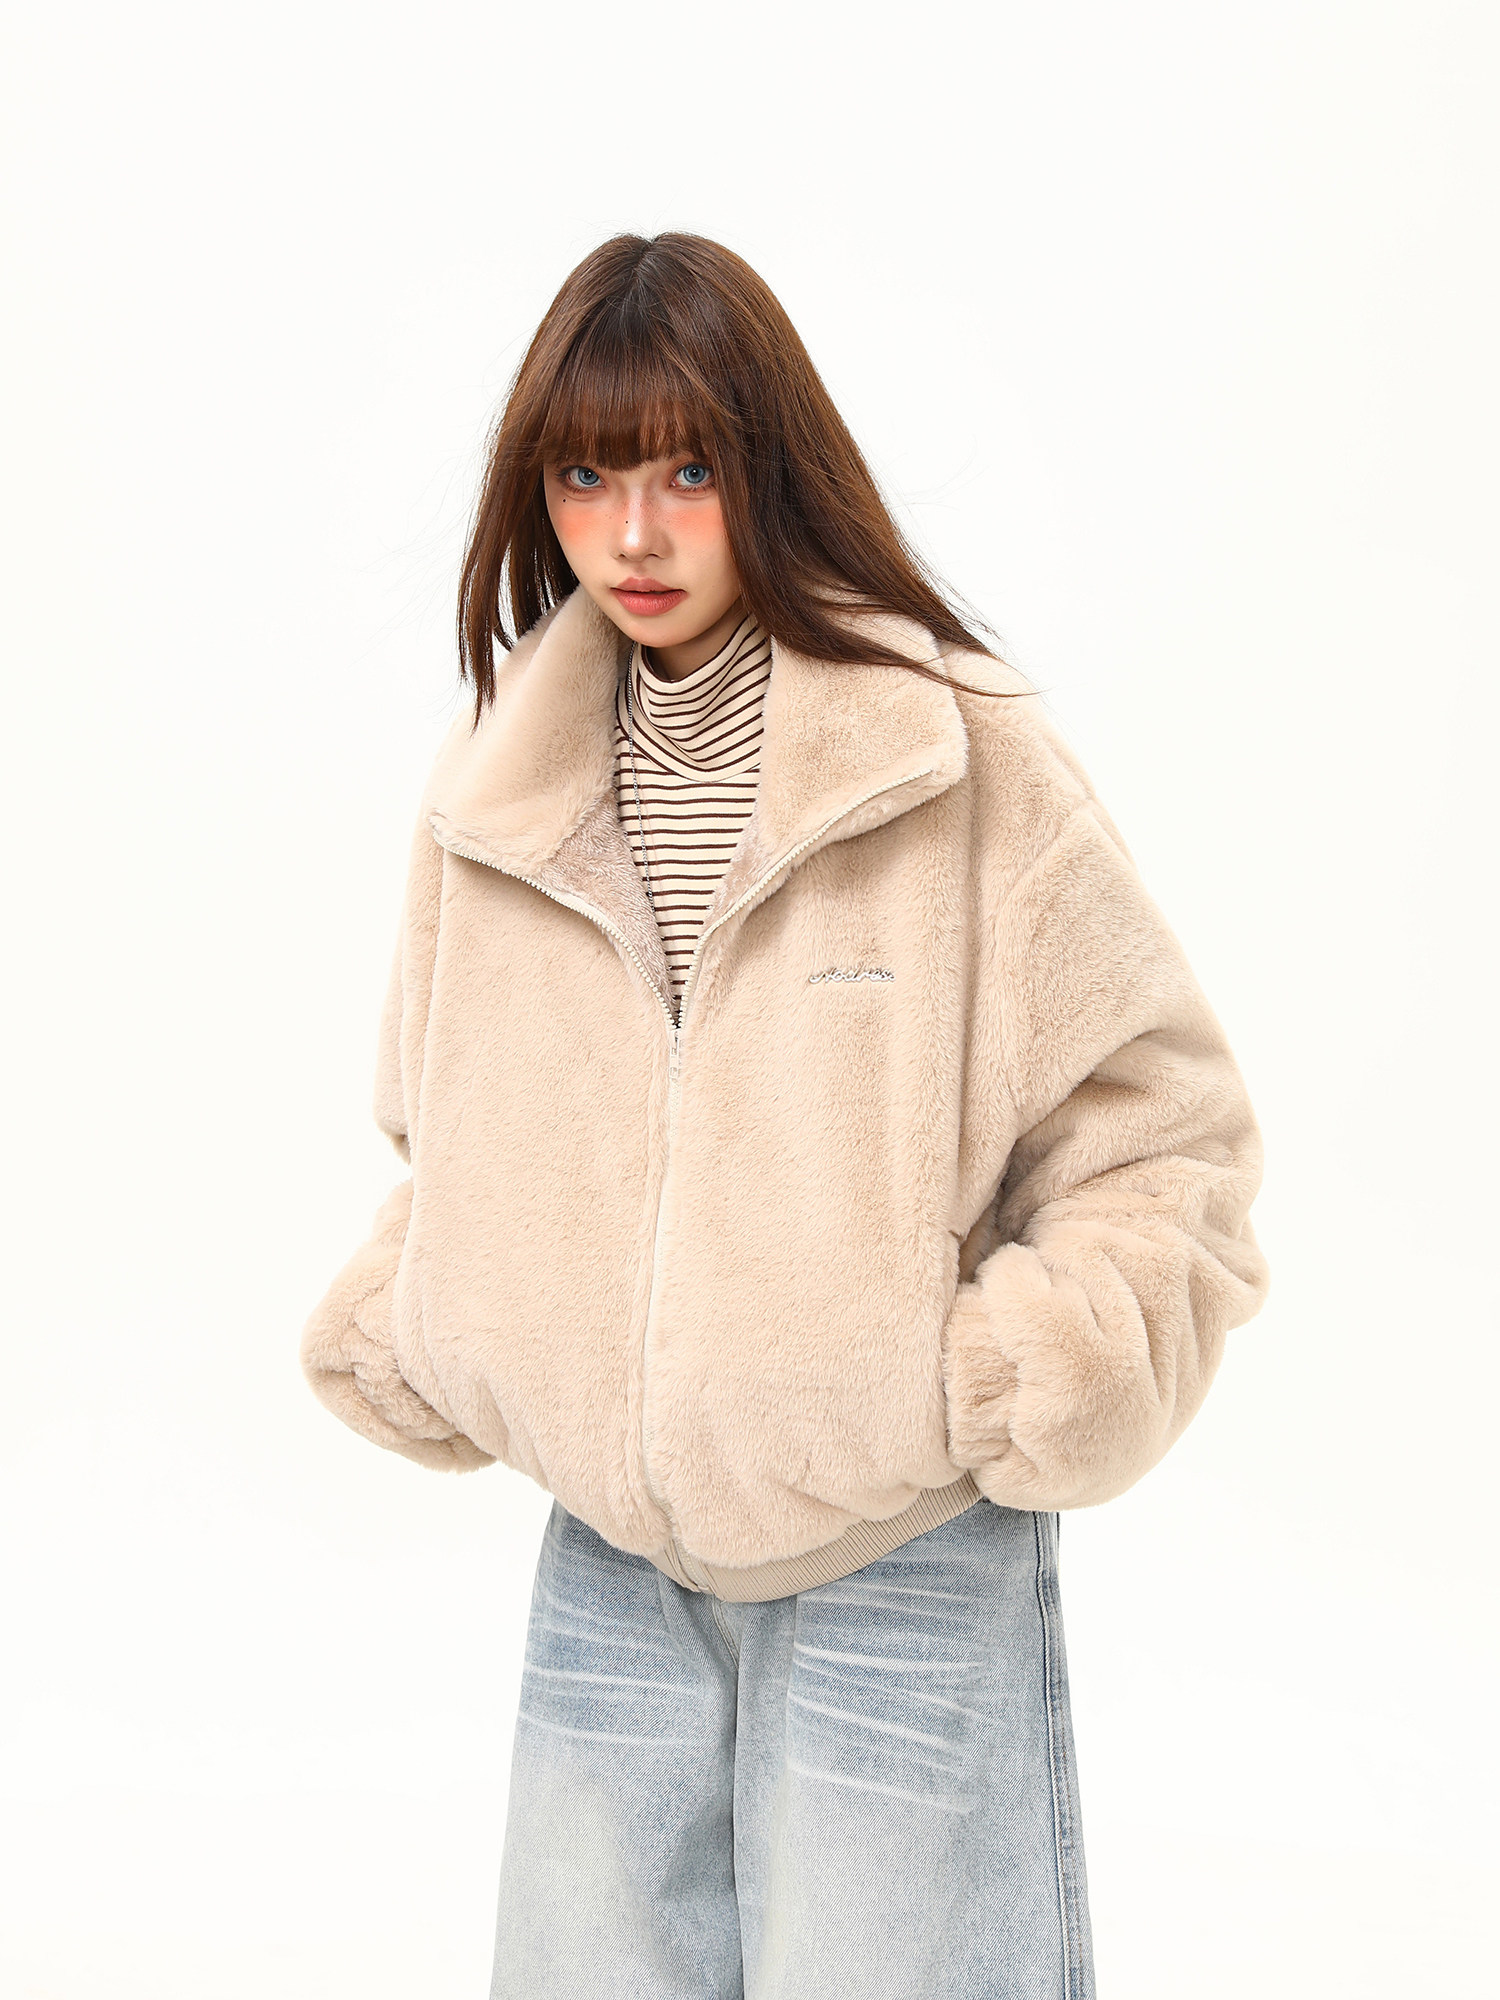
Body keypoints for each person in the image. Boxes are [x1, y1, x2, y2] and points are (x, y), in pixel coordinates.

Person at [300, 231, 1269, 2000]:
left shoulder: (954, 755)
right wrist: (432, 1310)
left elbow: (1164, 1140)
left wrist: (999, 1377)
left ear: (772, 467)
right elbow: (440, 1126)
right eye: (586, 476)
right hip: (610, 1568)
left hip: (902, 1565)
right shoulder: (495, 789)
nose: (634, 533)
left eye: (686, 471)